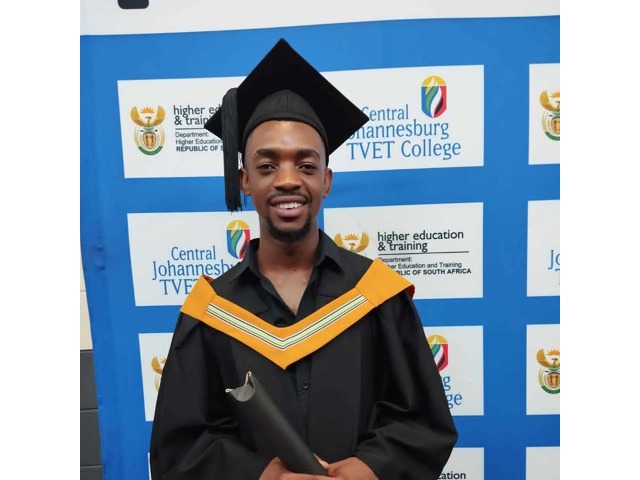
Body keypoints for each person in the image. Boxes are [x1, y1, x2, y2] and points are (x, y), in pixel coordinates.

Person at [149, 38, 458, 480]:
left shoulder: (376, 295)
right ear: (244, 181)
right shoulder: (212, 310)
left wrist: (371, 467)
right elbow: (179, 447)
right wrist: (264, 475)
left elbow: (425, 422)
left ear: (326, 180)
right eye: (267, 166)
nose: (288, 180)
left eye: (306, 165)